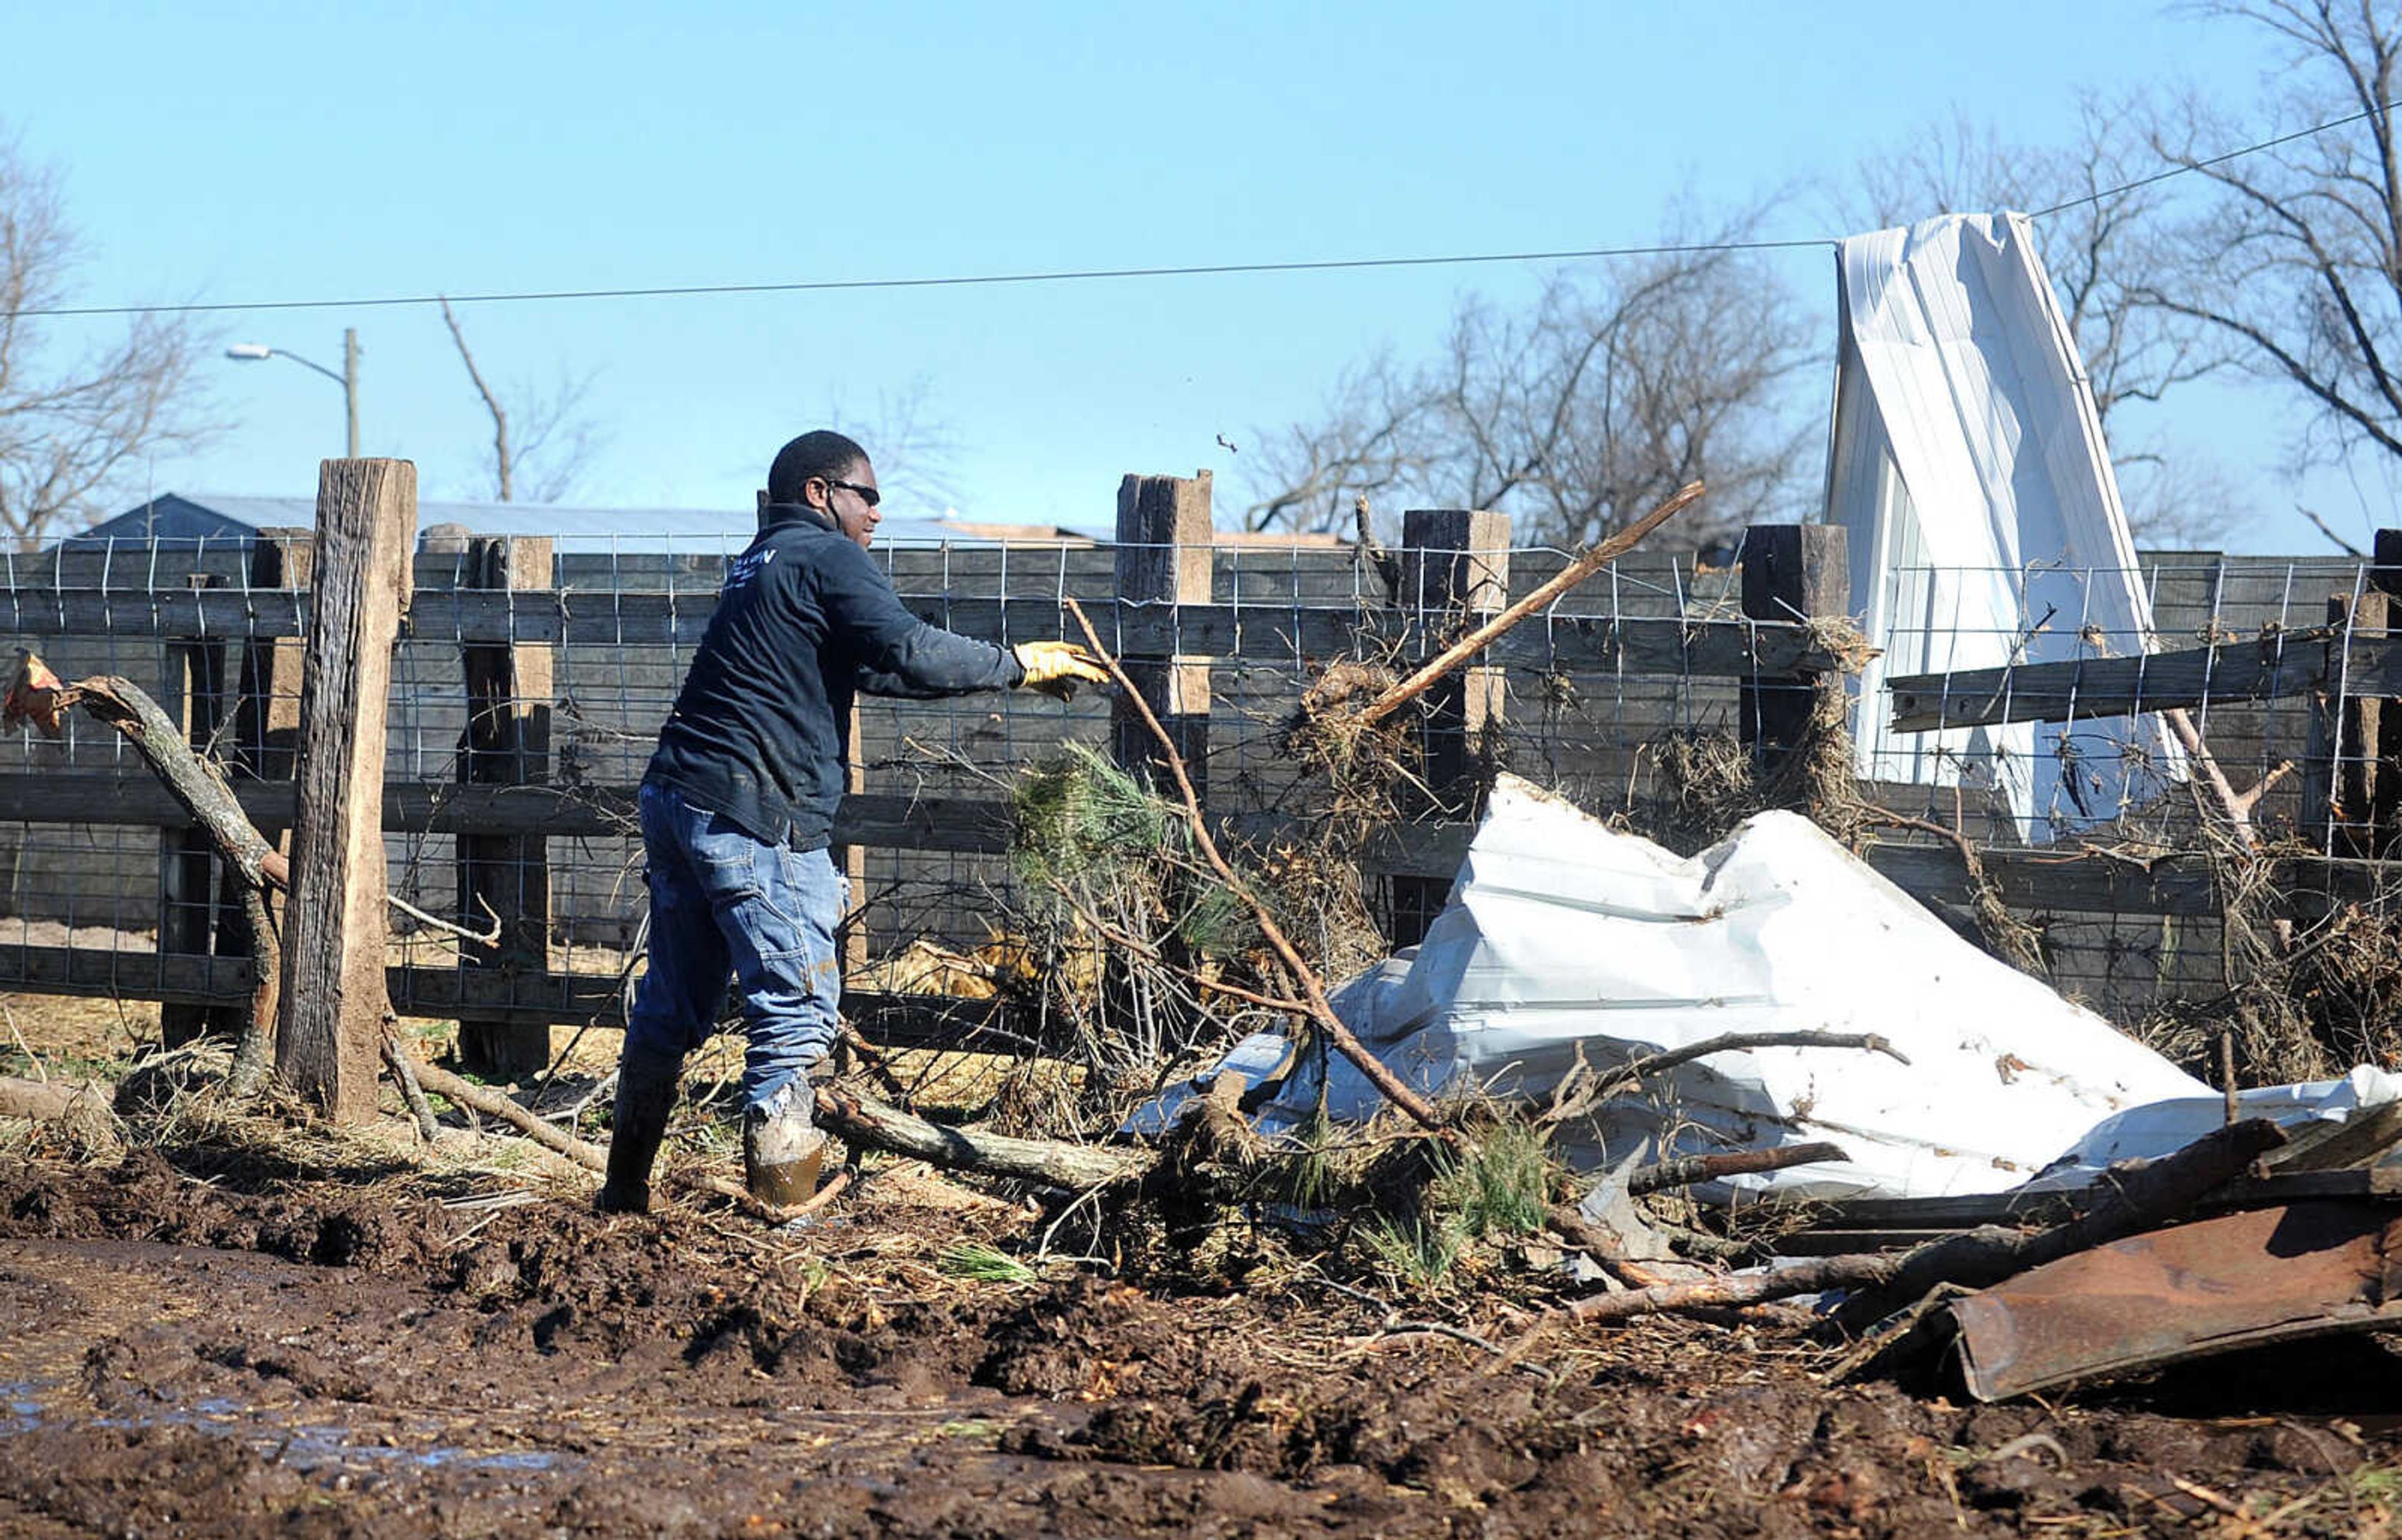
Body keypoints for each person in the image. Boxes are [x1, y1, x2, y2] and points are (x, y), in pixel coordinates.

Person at [597, 430, 1108, 1212]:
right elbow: (907, 646)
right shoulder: (826, 555)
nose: (878, 512)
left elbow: (871, 665)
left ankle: (622, 1196)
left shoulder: (760, 564)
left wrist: (998, 679)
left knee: (671, 1006)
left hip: (680, 799)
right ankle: (782, 1216)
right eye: (866, 495)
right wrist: (1018, 662)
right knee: (797, 1017)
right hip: (755, 813)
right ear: (819, 493)